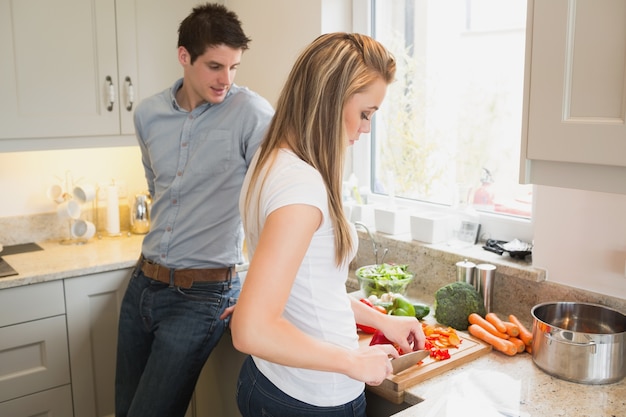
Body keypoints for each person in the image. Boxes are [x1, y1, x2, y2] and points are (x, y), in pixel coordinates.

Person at [231, 32, 426, 417]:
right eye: (366, 113)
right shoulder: (301, 187)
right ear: (331, 100)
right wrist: (352, 361)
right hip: (307, 398)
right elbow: (250, 328)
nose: (367, 128)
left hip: (276, 382)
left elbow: (313, 290)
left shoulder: (272, 160)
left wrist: (381, 320)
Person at [114, 3, 274, 417]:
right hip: (142, 285)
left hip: (202, 296)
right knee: (124, 409)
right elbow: (159, 193)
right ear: (184, 56)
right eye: (215, 66)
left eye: (234, 67)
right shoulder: (148, 114)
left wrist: (262, 290)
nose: (226, 80)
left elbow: (270, 208)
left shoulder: (253, 115)